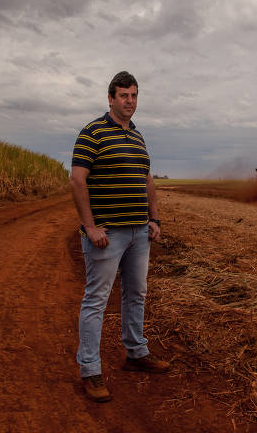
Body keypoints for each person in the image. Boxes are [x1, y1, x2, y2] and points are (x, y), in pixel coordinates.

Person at [70, 70, 170, 403]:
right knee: (96, 300)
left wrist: (153, 218)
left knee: (136, 293)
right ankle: (90, 370)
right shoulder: (92, 132)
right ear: (111, 98)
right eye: (124, 95)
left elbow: (147, 180)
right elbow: (78, 181)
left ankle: (135, 353)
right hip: (108, 235)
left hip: (138, 233)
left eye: (134, 95)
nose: (130, 101)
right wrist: (90, 226)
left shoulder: (138, 137)